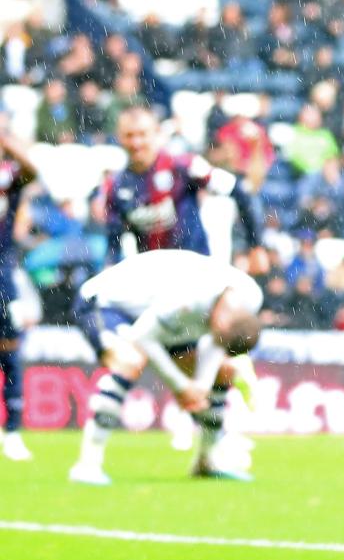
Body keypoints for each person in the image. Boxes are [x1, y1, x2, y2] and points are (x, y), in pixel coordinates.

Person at [68, 250, 263, 486]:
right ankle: (87, 464)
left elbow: (215, 343)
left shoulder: (250, 299)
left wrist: (200, 386)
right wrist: (181, 387)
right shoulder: (192, 298)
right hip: (106, 303)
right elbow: (142, 337)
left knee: (224, 370)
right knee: (130, 360)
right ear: (221, 321)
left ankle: (208, 461)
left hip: (158, 316)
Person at [97, 106, 268, 274]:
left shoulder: (183, 166)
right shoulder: (117, 186)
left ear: (156, 133)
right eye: (129, 135)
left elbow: (240, 192)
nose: (136, 142)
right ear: (119, 137)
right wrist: (108, 267)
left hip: (194, 271)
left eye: (142, 134)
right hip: (153, 278)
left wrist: (256, 246)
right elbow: (113, 239)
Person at [0, 130, 37, 462]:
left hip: (1, 277)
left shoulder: (7, 177)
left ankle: (12, 433)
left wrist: (7, 139)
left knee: (9, 354)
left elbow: (33, 171)